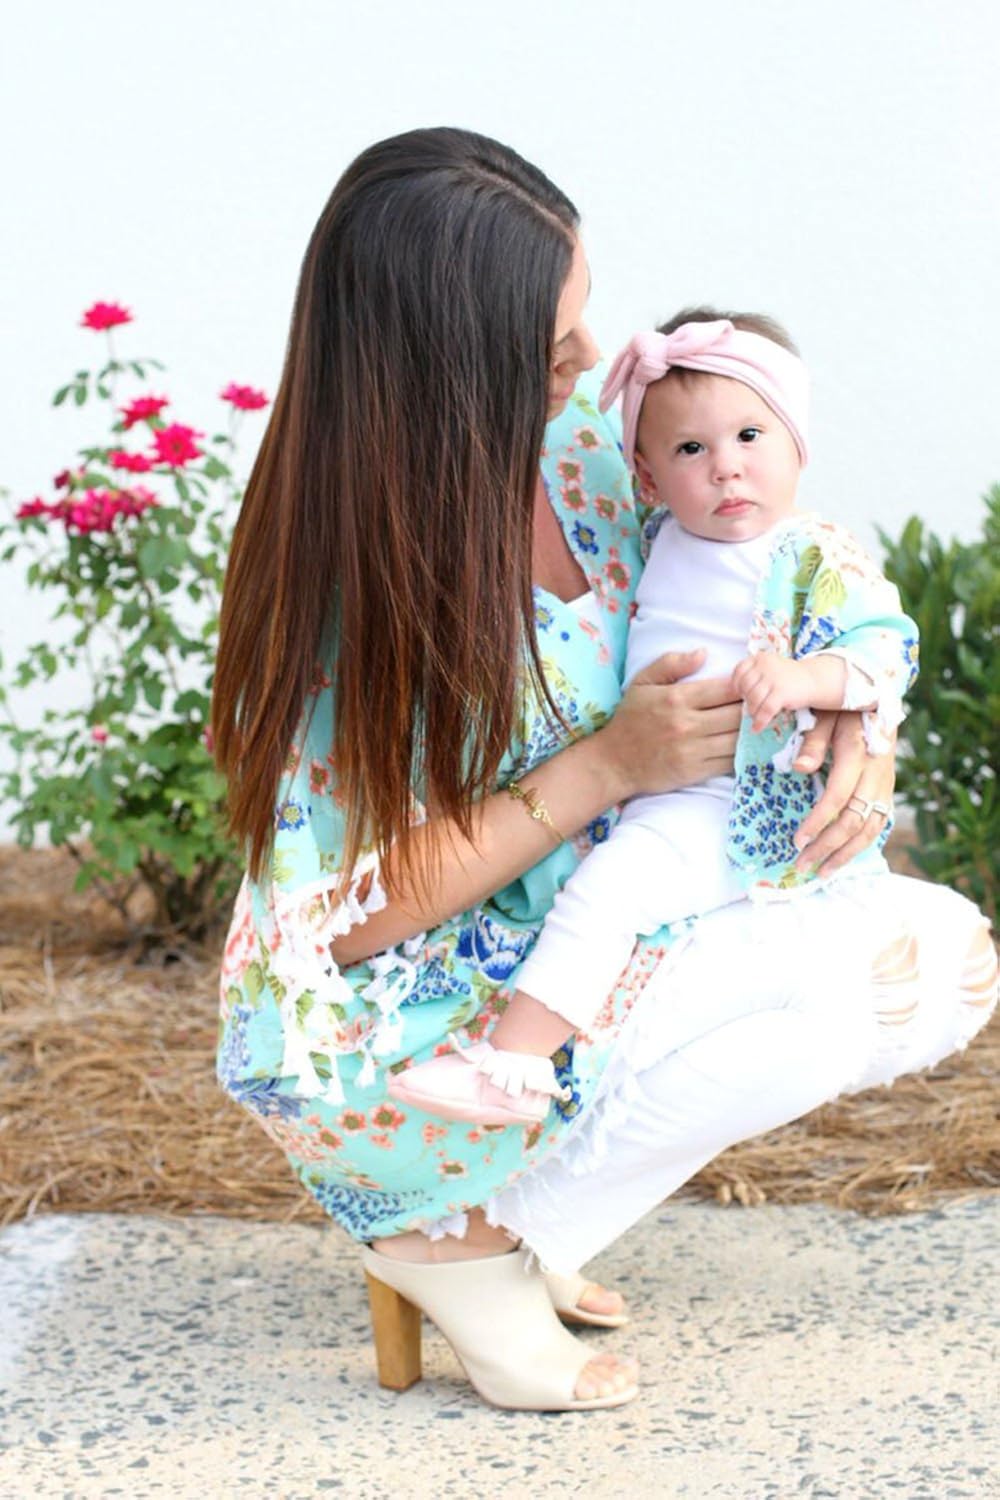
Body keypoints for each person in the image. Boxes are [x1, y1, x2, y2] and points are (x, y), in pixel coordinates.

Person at [212, 127, 997, 1413]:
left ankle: (513, 1231)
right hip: (426, 990)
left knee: (942, 965)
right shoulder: (356, 578)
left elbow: (760, 539)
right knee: (860, 972)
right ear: (447, 366)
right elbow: (337, 925)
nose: (594, 358)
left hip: (620, 901)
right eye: (553, 341)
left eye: (582, 314)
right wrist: (603, 766)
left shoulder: (582, 442)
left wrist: (862, 710)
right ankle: (448, 1241)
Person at [388, 309, 921, 1126]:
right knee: (613, 907)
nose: (726, 470)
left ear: (796, 443)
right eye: (691, 451)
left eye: (750, 436)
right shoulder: (658, 535)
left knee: (613, 894)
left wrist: (807, 677)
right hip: (660, 792)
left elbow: (886, 647)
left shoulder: (811, 553)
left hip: (729, 801)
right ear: (646, 476)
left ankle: (516, 1068)